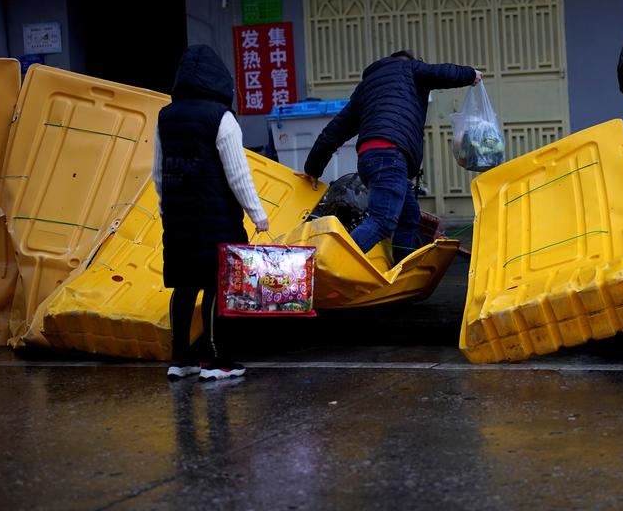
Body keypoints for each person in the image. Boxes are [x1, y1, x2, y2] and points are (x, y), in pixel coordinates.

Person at [155, 44, 270, 381]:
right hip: (215, 218)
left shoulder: (165, 116)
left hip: (177, 219)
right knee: (217, 284)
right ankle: (216, 360)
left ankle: (181, 360)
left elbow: (158, 173)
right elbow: (238, 173)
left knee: (184, 285)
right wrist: (257, 213)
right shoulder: (222, 118)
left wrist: (166, 211)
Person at [299, 50, 481, 255]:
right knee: (382, 221)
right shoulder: (411, 68)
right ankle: (326, 262)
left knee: (409, 216)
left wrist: (313, 167)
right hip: (391, 157)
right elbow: (441, 72)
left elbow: (335, 130)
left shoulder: (366, 87)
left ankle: (402, 271)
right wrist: (470, 74)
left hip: (370, 159)